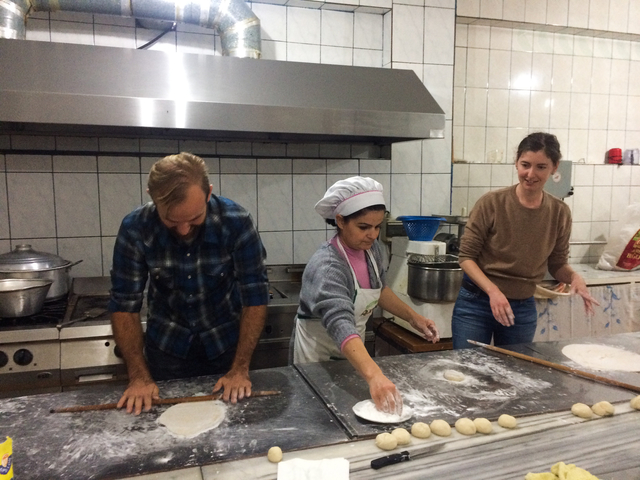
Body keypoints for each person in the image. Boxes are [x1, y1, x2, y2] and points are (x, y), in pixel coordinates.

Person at [108, 152, 269, 415]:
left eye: (194, 218)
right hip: (167, 351)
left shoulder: (236, 222)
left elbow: (255, 297)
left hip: (226, 348)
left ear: (209, 193)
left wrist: (240, 369)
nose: (184, 230)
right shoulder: (136, 228)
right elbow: (124, 305)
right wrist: (139, 377)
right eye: (171, 220)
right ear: (152, 196)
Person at [292, 176, 440, 415]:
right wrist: (375, 376)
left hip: (354, 355)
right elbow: (340, 322)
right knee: (321, 413)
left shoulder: (372, 251)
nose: (372, 235)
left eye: (377, 226)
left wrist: (414, 318)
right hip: (317, 358)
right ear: (340, 221)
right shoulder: (329, 265)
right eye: (364, 227)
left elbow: (380, 290)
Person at [452, 132, 599, 350]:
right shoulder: (491, 203)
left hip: (521, 308)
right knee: (468, 372)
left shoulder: (559, 213)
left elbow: (557, 264)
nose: (530, 174)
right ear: (516, 163)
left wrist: (575, 277)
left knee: (514, 374)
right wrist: (494, 291)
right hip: (476, 303)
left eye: (541, 167)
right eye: (525, 165)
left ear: (554, 167)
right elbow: (466, 257)